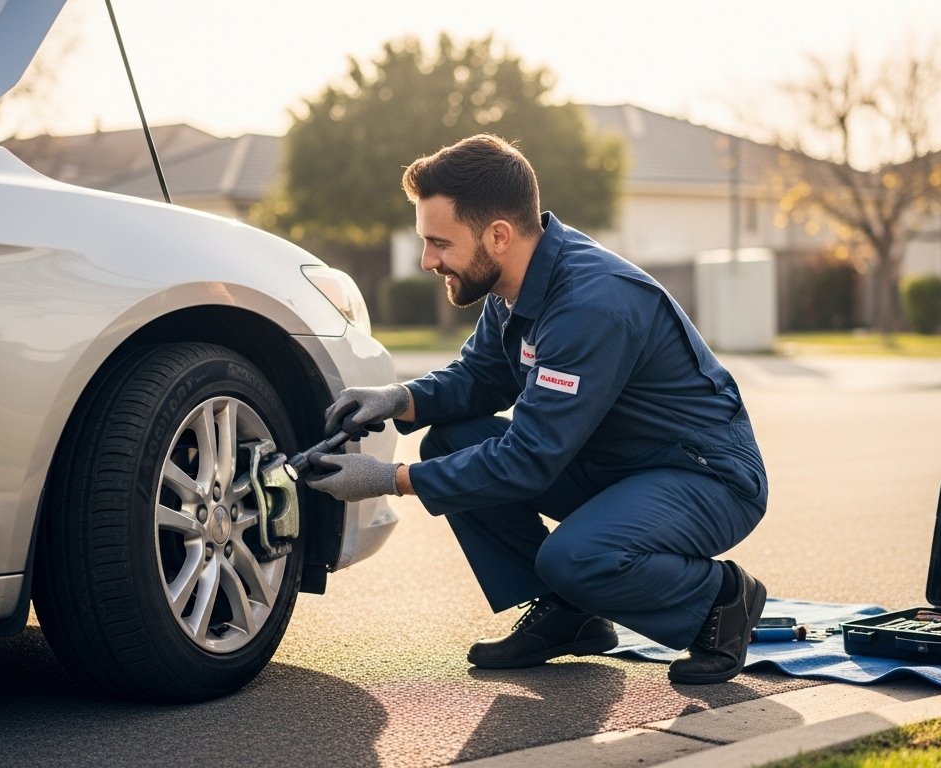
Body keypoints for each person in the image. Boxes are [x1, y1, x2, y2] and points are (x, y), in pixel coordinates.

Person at [306, 134, 769, 684]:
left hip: (702, 475)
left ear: (498, 235)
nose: (429, 260)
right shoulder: (515, 286)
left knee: (574, 556)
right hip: (612, 462)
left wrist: (388, 478)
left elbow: (528, 458)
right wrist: (398, 399)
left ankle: (721, 598)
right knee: (450, 441)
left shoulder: (590, 305)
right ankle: (570, 614)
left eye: (439, 243)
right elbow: (481, 376)